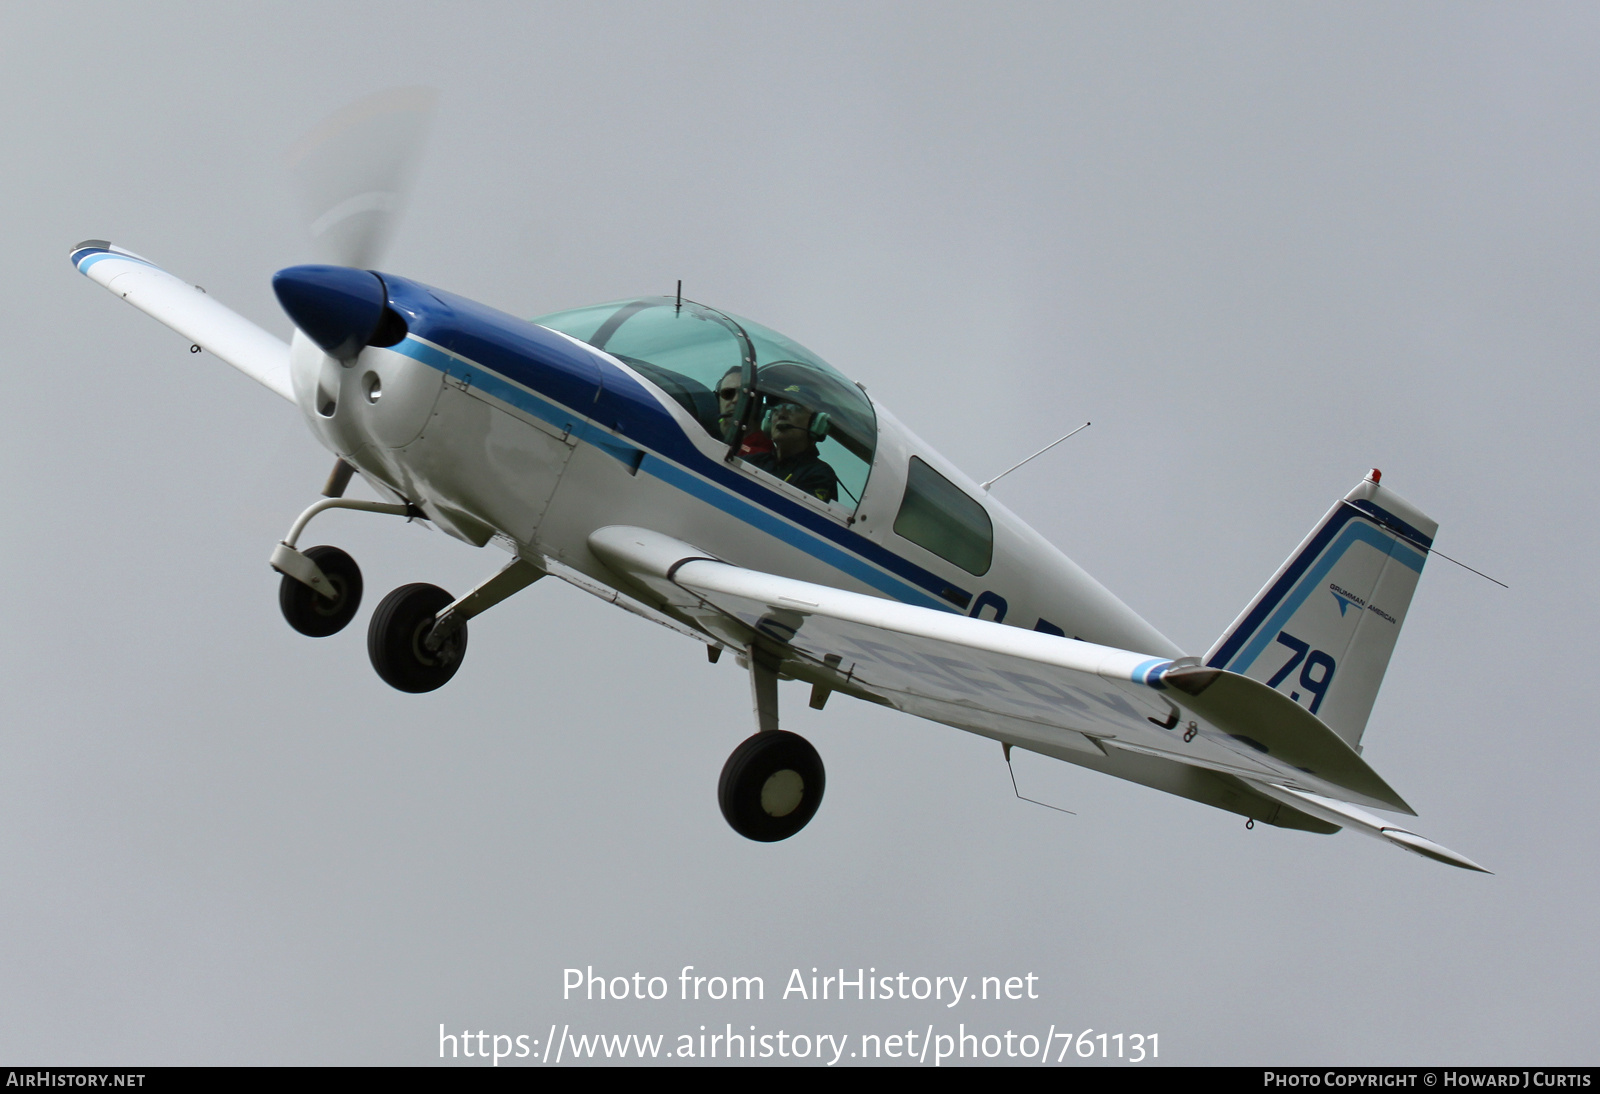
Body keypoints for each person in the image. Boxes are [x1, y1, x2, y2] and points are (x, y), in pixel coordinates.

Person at [749, 401, 837, 503]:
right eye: (776, 409)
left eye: (793, 409)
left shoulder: (820, 475)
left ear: (814, 423)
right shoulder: (753, 460)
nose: (781, 415)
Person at [715, 367, 773, 458]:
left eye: (744, 394)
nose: (735, 400)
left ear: (758, 403)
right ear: (718, 402)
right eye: (727, 393)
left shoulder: (761, 455)